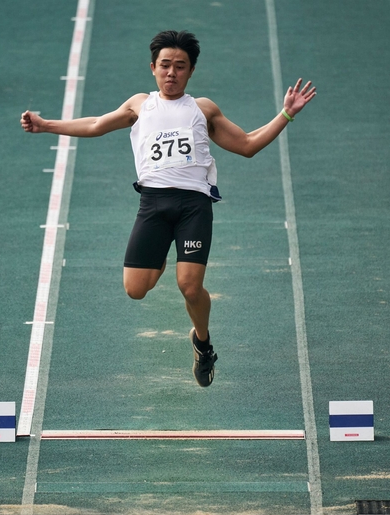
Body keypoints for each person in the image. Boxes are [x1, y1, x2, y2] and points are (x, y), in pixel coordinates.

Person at [21, 30, 316, 388]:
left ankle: (203, 344)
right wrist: (46, 125)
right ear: (153, 68)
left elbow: (248, 145)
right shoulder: (139, 105)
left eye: (180, 66)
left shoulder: (203, 109)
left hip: (193, 206)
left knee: (190, 287)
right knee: (135, 289)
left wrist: (286, 113)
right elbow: (97, 124)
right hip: (153, 205)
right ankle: (158, 255)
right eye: (165, 66)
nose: (171, 73)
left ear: (191, 71)